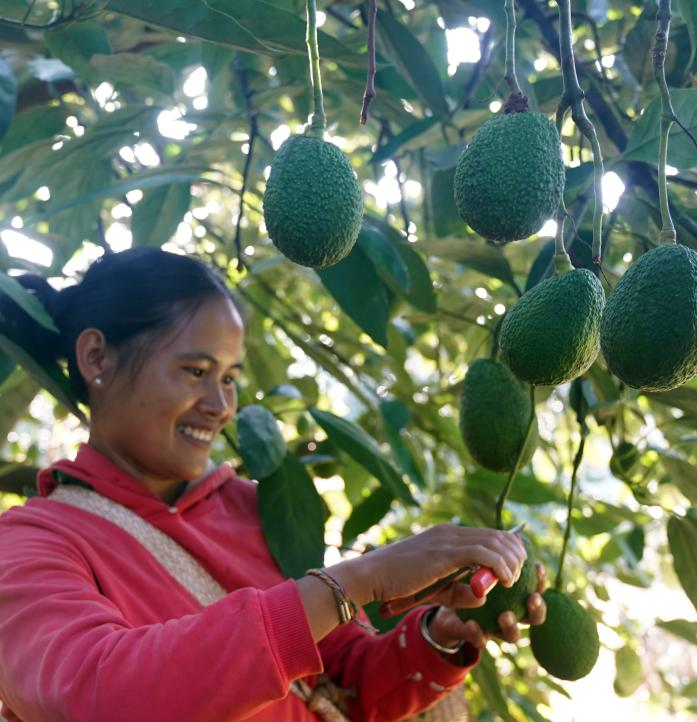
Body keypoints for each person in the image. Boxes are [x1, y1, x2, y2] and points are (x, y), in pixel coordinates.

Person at [0, 247, 546, 722]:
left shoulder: (251, 507)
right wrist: (358, 580)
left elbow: (345, 687)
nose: (220, 406)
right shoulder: (30, 543)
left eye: (230, 378)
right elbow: (98, 697)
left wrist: (439, 635)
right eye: (196, 371)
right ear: (96, 357)